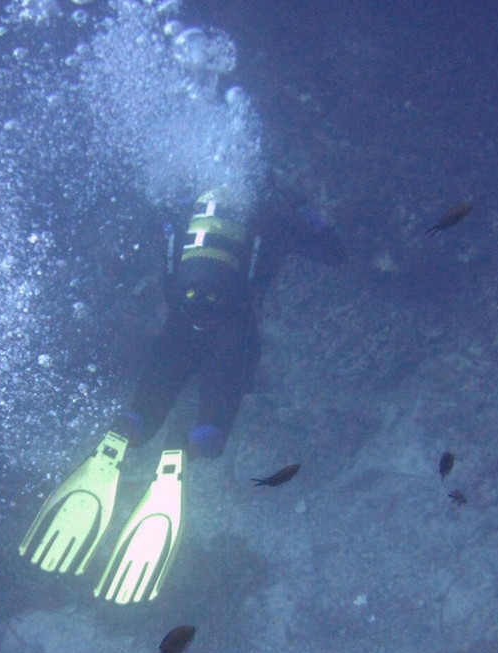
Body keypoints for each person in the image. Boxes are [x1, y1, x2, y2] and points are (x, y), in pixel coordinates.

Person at [19, 186, 346, 605]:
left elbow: (145, 230)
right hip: (233, 332)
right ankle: (181, 451)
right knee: (211, 433)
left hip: (178, 324)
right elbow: (334, 253)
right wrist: (301, 208)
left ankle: (127, 430)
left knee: (146, 406)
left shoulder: (184, 202)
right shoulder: (271, 213)